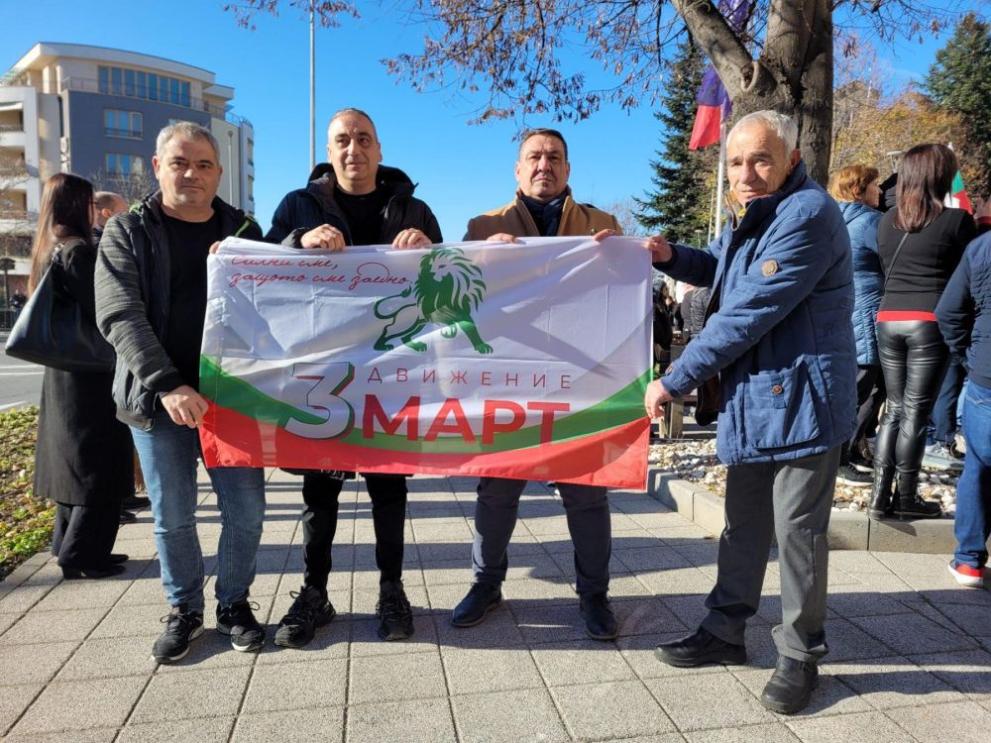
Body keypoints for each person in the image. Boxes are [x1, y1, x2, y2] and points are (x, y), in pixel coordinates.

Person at [643, 111, 856, 715]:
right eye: (736, 162)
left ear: (792, 159)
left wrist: (675, 379)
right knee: (743, 526)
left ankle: (800, 654)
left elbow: (748, 311)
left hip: (803, 402)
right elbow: (718, 265)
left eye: (761, 159)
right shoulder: (754, 214)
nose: (745, 174)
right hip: (757, 399)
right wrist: (668, 255)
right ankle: (724, 630)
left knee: (797, 534)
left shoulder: (808, 214)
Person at [266, 108, 442, 648]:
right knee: (319, 495)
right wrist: (298, 242)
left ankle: (392, 590)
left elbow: (446, 285)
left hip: (391, 376)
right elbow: (262, 270)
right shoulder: (298, 205)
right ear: (329, 151)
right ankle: (314, 592)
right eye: (342, 140)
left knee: (390, 490)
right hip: (324, 375)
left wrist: (430, 249)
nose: (353, 149)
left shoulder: (414, 209)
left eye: (363, 139)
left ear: (379, 149)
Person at [96, 121, 267, 663]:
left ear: (219, 172)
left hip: (233, 400)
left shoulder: (246, 231)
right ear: (157, 167)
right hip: (158, 401)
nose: (192, 173)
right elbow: (119, 314)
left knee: (248, 512)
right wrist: (168, 383)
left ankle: (233, 604)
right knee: (173, 516)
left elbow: (282, 303)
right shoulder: (127, 231)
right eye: (180, 162)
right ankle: (185, 609)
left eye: (204, 164)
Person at [454, 128, 623, 640]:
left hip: (578, 382)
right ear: (517, 168)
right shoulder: (483, 226)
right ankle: (486, 583)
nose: (543, 165)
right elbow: (461, 302)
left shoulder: (602, 226)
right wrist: (480, 258)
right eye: (534, 156)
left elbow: (621, 302)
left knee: (586, 494)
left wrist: (619, 260)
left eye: (554, 157)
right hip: (510, 381)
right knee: (496, 489)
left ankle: (594, 594)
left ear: (568, 169)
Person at [31, 173, 133, 579]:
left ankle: (66, 544)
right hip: (91, 373)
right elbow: (104, 309)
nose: (94, 209)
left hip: (66, 372)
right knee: (98, 464)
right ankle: (83, 554)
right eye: (90, 203)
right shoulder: (78, 252)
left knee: (73, 460)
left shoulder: (51, 246)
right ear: (77, 205)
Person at [867, 144, 976, 521]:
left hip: (888, 318)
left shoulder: (886, 221)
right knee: (916, 411)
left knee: (894, 410)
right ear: (939, 176)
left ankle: (879, 494)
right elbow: (966, 277)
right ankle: (907, 496)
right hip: (929, 320)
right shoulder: (956, 221)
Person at [936, 211, 991, 587]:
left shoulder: (981, 248)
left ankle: (969, 560)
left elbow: (949, 312)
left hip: (986, 374)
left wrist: (967, 357)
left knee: (979, 466)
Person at [827, 164, 885, 487]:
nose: (880, 190)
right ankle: (840, 458)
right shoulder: (871, 222)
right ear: (857, 190)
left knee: (859, 385)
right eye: (875, 185)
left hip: (846, 311)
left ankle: (849, 450)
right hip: (868, 313)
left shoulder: (835, 221)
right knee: (866, 386)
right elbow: (895, 260)